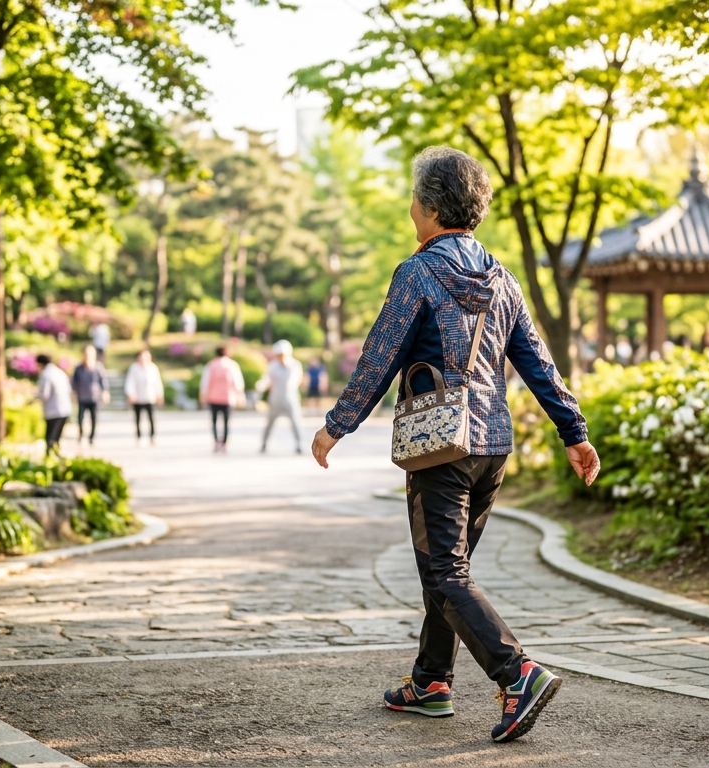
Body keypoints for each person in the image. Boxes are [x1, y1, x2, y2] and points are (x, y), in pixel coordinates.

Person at [310, 146, 600, 744]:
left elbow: (381, 355)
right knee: (448, 569)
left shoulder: (416, 271)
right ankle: (432, 680)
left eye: (414, 198)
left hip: (439, 442)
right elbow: (538, 364)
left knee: (444, 569)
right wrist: (574, 432)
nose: (410, 208)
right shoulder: (503, 279)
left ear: (432, 207)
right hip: (492, 443)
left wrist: (337, 424)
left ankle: (516, 672)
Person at [258, 340, 305, 454]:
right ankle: (264, 443)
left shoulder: (294, 364)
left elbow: (295, 379)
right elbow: (267, 379)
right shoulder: (273, 365)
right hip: (275, 398)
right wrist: (261, 386)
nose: (280, 357)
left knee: (295, 421)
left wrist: (289, 384)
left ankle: (299, 443)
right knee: (270, 421)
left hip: (290, 397)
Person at [199, 346, 244, 452]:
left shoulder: (211, 365)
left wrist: (202, 396)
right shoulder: (232, 365)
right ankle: (224, 443)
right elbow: (238, 383)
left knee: (214, 421)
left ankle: (216, 441)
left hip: (213, 398)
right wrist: (240, 396)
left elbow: (205, 383)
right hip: (227, 398)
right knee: (226, 422)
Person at [35, 354, 73, 455]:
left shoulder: (46, 374)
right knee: (56, 437)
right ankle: (55, 457)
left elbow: (44, 394)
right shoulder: (59, 372)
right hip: (64, 409)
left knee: (50, 438)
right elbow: (69, 390)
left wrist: (33, 399)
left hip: (53, 411)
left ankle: (50, 458)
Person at [124, 349, 164, 444]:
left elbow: (157, 382)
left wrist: (159, 395)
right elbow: (130, 382)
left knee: (151, 418)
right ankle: (138, 435)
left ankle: (152, 435)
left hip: (150, 397)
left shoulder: (153, 368)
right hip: (137, 398)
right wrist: (130, 394)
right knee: (137, 418)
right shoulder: (134, 368)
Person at [72, 344, 109, 445]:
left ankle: (91, 437)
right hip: (82, 397)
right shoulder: (79, 368)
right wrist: (73, 392)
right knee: (80, 418)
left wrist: (105, 392)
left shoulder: (98, 367)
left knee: (94, 418)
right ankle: (81, 434)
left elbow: (103, 381)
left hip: (94, 397)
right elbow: (74, 381)